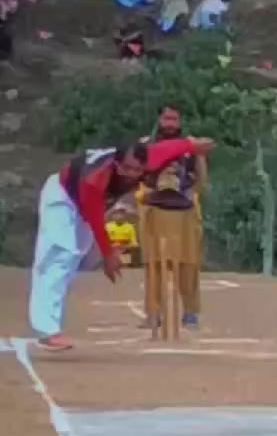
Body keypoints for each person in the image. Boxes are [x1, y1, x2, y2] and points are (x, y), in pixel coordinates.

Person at [28, 133, 213, 352]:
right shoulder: (94, 179)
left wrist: (192, 145)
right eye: (126, 168)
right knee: (60, 255)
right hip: (62, 196)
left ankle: (48, 320)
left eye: (137, 170)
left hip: (84, 206)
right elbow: (95, 219)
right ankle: (47, 331)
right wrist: (108, 254)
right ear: (116, 162)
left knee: (72, 261)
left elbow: (170, 147)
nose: (131, 174)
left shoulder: (149, 158)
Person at [141, 106, 209, 333]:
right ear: (159, 120)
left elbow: (202, 180)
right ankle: (153, 314)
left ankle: (190, 313)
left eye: (174, 119)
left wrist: (200, 157)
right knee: (153, 265)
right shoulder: (146, 145)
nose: (170, 123)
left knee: (188, 263)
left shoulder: (192, 146)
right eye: (166, 118)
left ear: (180, 122)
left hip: (184, 211)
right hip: (155, 209)